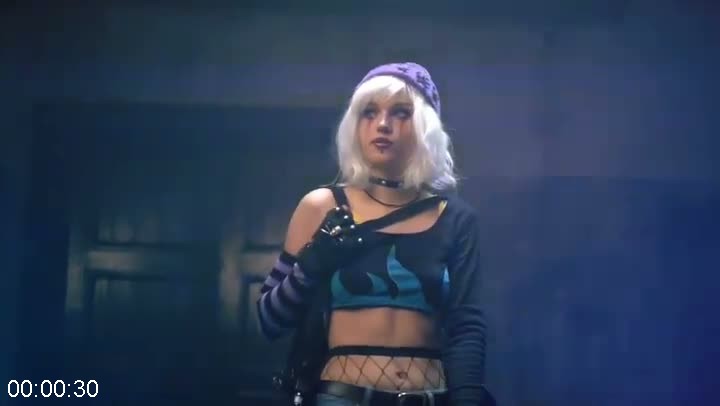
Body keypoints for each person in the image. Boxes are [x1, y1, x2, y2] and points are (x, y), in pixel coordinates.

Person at [256, 62, 494, 406]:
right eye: (369, 112)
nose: (382, 124)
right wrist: (311, 264)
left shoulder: (456, 218)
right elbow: (269, 321)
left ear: (426, 127)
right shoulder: (321, 206)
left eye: (401, 112)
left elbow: (467, 327)